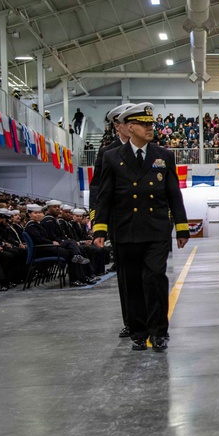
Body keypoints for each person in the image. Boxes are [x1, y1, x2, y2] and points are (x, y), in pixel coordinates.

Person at [93, 103, 190, 351]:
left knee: (155, 278)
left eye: (151, 124)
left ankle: (159, 331)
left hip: (156, 228)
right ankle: (138, 332)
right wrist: (100, 229)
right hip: (126, 230)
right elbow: (104, 196)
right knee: (133, 282)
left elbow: (173, 194)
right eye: (144, 125)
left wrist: (181, 226)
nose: (150, 128)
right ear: (130, 127)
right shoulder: (111, 157)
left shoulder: (163, 155)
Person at [91, 104, 133, 336]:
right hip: (121, 223)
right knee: (125, 277)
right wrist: (99, 225)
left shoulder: (151, 149)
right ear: (117, 126)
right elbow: (98, 188)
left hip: (147, 223)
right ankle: (131, 321)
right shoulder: (108, 153)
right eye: (125, 121)